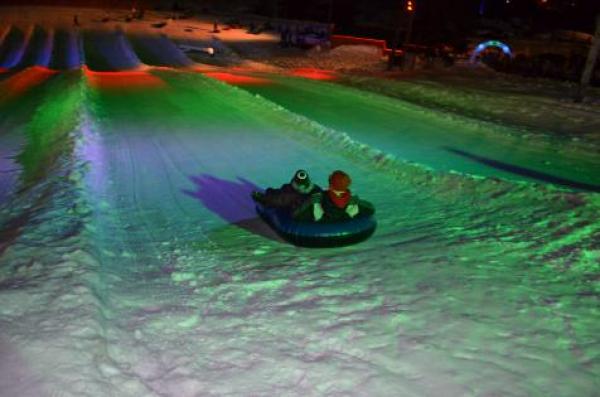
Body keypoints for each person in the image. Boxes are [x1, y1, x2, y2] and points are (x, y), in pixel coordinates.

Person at [252, 170, 322, 220]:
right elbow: (278, 201)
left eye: (302, 185)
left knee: (282, 196)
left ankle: (265, 196)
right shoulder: (289, 191)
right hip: (289, 199)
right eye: (300, 185)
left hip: (298, 204)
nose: (301, 187)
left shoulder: (316, 190)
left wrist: (310, 202)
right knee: (279, 196)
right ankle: (264, 197)